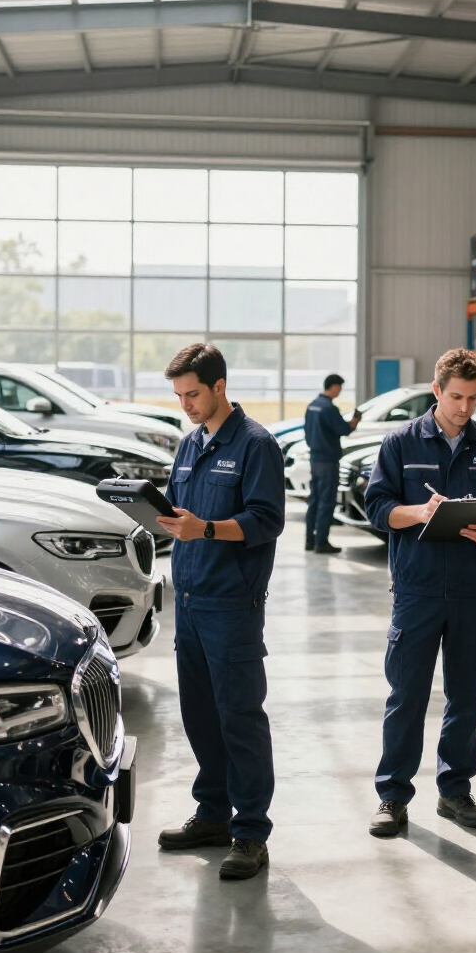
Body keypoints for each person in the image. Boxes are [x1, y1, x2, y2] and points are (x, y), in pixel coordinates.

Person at [364, 348, 476, 838]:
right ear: (437, 391)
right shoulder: (401, 443)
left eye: (474, 398)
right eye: (456, 397)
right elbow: (377, 508)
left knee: (466, 696)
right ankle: (392, 796)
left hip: (474, 589)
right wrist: (419, 513)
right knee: (407, 695)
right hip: (418, 588)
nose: (465, 408)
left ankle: (455, 791)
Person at [155, 343, 285, 881]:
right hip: (187, 601)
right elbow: (173, 510)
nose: (185, 404)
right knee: (200, 716)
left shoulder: (256, 445)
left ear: (219, 387)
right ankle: (213, 815)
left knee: (239, 717)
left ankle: (251, 831)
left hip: (230, 604)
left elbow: (265, 521)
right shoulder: (189, 444)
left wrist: (205, 528)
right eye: (179, 395)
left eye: (193, 394)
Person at [303, 373, 361, 555]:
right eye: (340, 388)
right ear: (334, 386)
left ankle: (310, 541)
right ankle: (322, 542)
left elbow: (307, 431)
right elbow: (344, 429)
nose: (340, 392)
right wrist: (355, 420)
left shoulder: (312, 406)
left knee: (314, 500)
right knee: (327, 502)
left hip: (315, 459)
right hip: (328, 461)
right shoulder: (329, 408)